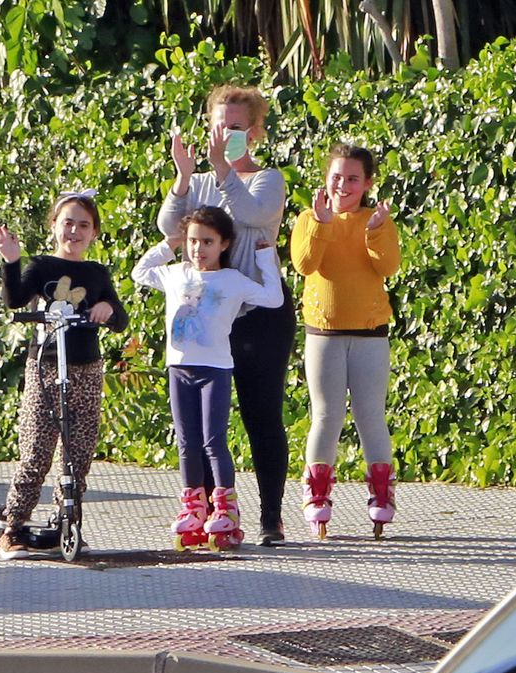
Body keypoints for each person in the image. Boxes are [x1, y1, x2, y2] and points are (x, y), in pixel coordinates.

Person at [158, 84, 294, 544]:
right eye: (220, 125)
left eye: (235, 128)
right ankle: (214, 510)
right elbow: (169, 228)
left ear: (254, 133)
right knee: (204, 424)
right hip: (209, 319)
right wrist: (183, 177)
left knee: (261, 414)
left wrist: (221, 171)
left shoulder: (267, 178)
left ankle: (270, 517)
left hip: (257, 315)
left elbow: (251, 215)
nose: (225, 135)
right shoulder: (199, 181)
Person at [133, 206, 284, 550]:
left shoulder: (231, 281)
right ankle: (193, 506)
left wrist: (265, 257)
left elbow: (273, 298)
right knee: (186, 443)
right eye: (193, 241)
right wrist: (167, 246)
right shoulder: (174, 274)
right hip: (179, 369)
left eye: (207, 242)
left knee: (213, 441)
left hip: (215, 369)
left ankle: (226, 508)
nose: (198, 249)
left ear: (224, 244)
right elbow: (139, 272)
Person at [0, 192, 128, 561]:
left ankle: (67, 520)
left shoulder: (97, 273)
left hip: (86, 369)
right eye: (68, 222)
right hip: (45, 367)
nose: (75, 231)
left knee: (78, 452)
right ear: (54, 226)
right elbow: (15, 299)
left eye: (83, 225)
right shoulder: (42, 267)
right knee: (36, 451)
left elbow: (120, 318)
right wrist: (12, 261)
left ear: (94, 232)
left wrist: (106, 307)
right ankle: (14, 526)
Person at [289, 143, 402, 539]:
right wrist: (321, 224)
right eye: (337, 177)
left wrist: (374, 233)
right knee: (326, 415)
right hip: (323, 334)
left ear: (367, 183)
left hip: (370, 334)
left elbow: (388, 265)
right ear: (326, 179)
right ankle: (317, 494)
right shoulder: (308, 218)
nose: (343, 185)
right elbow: (304, 264)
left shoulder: (377, 219)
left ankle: (382, 492)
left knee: (371, 414)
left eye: (353, 178)